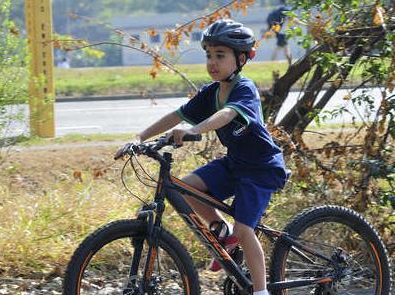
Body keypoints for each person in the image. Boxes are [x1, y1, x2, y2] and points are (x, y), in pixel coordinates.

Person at [118, 19, 288, 295]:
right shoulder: (211, 92)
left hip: (262, 169)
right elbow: (176, 115)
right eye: (209, 55)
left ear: (242, 58)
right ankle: (222, 232)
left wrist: (194, 130)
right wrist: (139, 138)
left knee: (246, 230)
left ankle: (260, 290)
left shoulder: (244, 88)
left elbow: (228, 114)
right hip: (235, 164)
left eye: (220, 55)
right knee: (187, 189)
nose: (212, 62)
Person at [267, 0, 292, 65]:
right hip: (282, 32)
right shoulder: (286, 9)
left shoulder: (277, 8)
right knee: (278, 47)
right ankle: (272, 61)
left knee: (286, 47)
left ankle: (290, 62)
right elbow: (290, 19)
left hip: (277, 30)